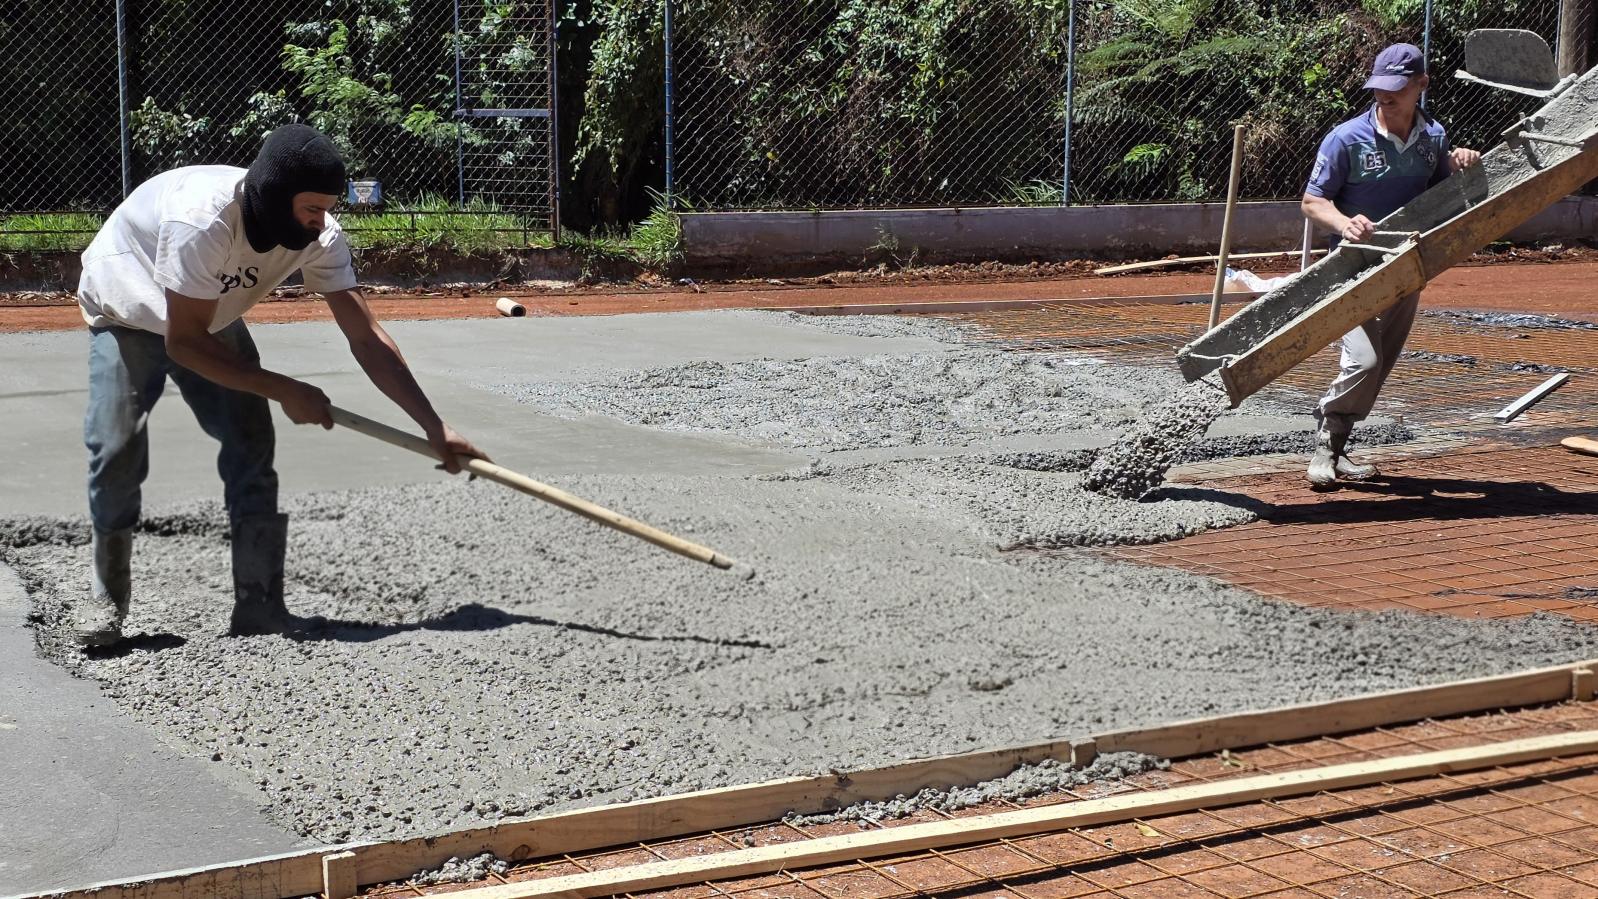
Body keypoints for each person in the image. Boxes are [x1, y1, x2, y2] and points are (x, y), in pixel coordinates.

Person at [74, 124, 487, 645]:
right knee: (115, 450)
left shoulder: (320, 235)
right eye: (311, 208)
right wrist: (284, 388)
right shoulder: (201, 220)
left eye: (326, 208)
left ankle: (261, 605)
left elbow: (367, 337)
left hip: (210, 317)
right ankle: (106, 601)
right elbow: (183, 343)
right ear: (272, 193)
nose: (320, 222)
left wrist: (434, 426)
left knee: (250, 445)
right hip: (128, 310)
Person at [1300, 43, 1481, 488]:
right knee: (1363, 360)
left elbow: (1442, 197)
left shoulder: (1433, 138)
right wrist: (1344, 224)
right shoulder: (1346, 138)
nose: (1385, 97)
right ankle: (1324, 443)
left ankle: (1339, 448)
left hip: (1406, 264)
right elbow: (1311, 202)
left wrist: (1462, 164)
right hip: (1351, 265)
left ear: (1421, 84)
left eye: (1396, 89)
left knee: (1381, 364)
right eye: (1379, 87)